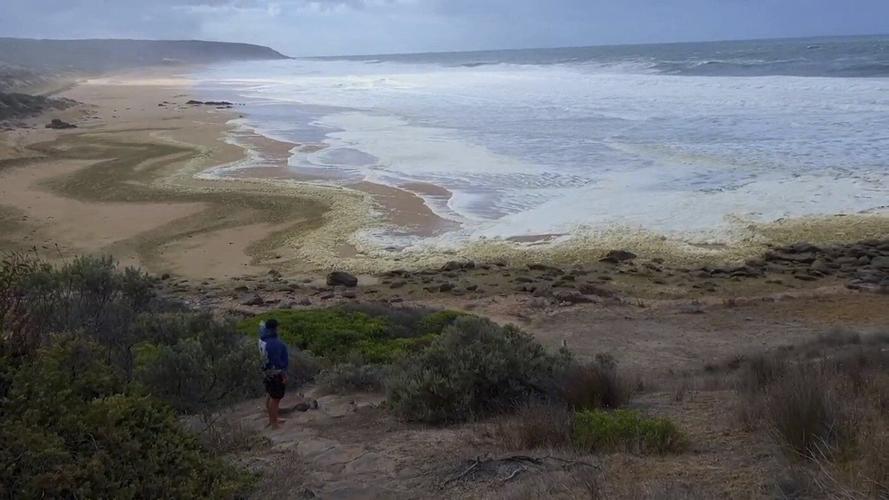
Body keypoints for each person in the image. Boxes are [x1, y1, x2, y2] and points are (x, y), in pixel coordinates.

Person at [258, 318, 288, 429]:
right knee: (276, 398)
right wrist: (283, 374)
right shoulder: (275, 343)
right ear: (275, 328)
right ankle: (274, 423)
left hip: (266, 371)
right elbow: (277, 361)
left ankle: (272, 419)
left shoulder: (263, 339)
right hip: (275, 373)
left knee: (270, 395)